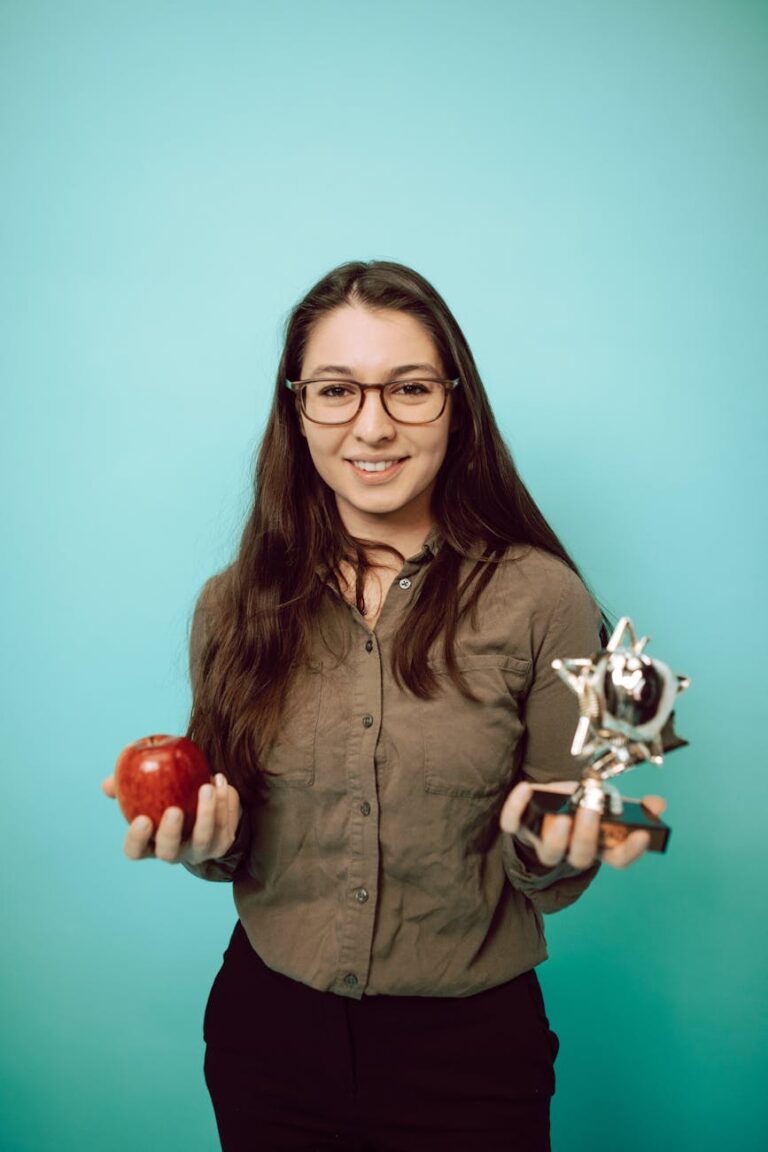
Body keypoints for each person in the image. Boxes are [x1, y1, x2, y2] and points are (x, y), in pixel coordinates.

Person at [103, 260, 664, 1152]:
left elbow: (562, 862)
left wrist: (557, 843)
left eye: (408, 389)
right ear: (297, 409)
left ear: (455, 403)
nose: (372, 424)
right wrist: (208, 847)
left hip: (472, 1060)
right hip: (266, 1040)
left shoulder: (544, 600)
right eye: (335, 390)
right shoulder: (232, 604)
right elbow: (235, 829)